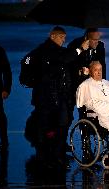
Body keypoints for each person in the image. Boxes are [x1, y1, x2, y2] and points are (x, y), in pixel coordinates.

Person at [20, 26, 89, 168]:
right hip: (46, 98)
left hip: (58, 97)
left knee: (61, 125)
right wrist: (80, 49)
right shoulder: (45, 50)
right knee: (47, 127)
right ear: (52, 36)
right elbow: (64, 58)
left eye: (64, 37)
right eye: (61, 37)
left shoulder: (55, 51)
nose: (64, 40)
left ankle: (56, 155)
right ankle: (45, 157)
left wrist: (79, 70)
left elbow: (65, 62)